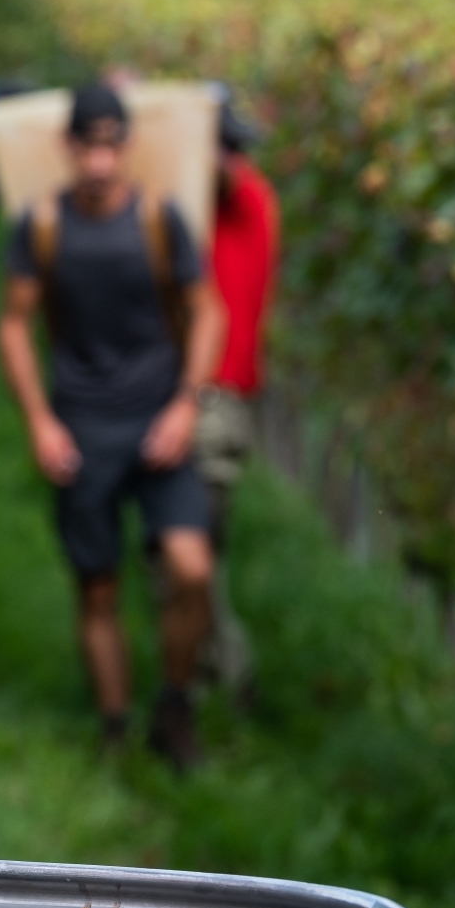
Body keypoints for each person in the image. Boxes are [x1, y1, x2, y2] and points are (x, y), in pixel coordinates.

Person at [0, 81, 225, 767]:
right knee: (98, 587)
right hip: (84, 429)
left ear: (125, 147)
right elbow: (12, 324)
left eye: (110, 145)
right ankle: (117, 729)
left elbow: (208, 311)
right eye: (86, 146)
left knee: (191, 567)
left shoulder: (160, 219)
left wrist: (187, 403)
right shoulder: (41, 226)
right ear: (69, 147)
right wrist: (40, 421)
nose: (98, 161)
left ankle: (175, 707)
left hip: (160, 426)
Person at [194, 88, 278, 694]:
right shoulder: (199, 207)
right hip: (202, 397)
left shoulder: (245, 198)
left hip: (217, 399)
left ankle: (222, 672)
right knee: (185, 549)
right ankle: (208, 671)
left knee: (191, 550)